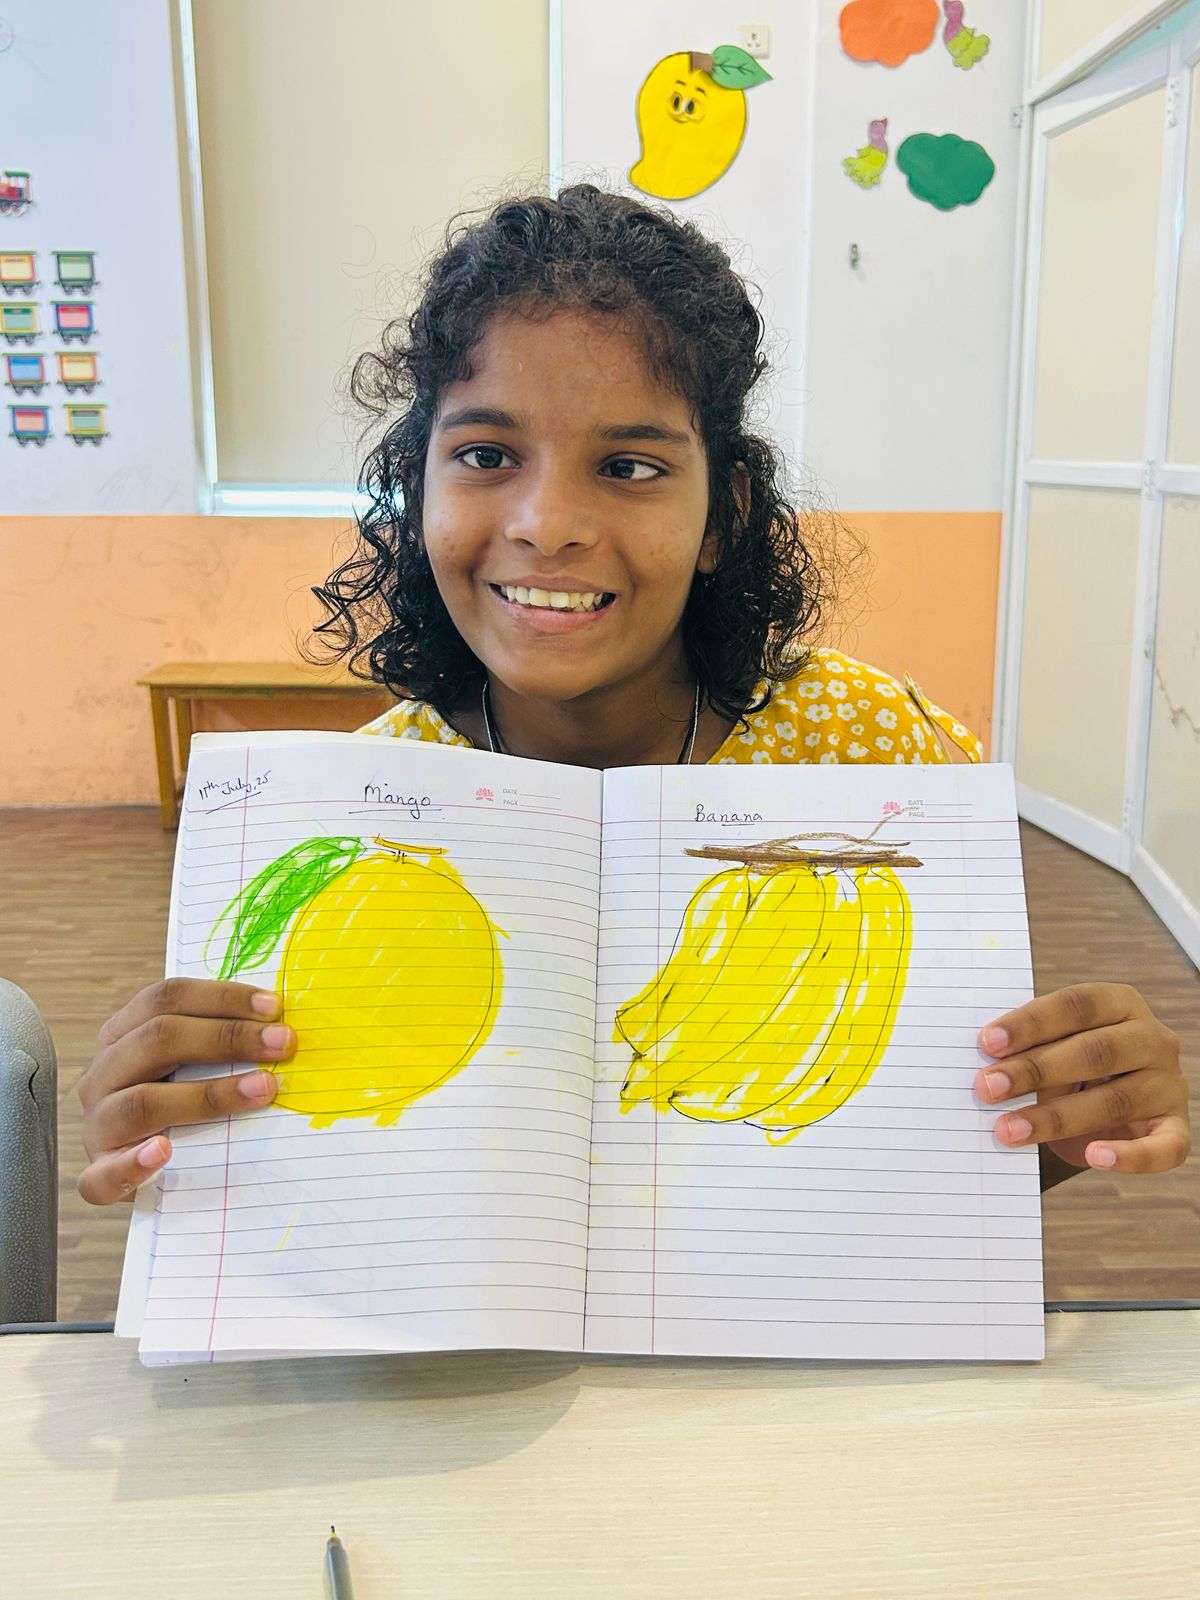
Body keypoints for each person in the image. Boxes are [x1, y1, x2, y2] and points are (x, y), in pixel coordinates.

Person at [76, 185, 1188, 1206]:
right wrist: (176, 1139)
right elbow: (317, 1183)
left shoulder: (875, 752)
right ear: (418, 488)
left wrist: (1070, 1115)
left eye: (630, 467)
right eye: (486, 455)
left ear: (723, 514)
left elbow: (950, 1142)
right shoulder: (354, 816)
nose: (547, 524)